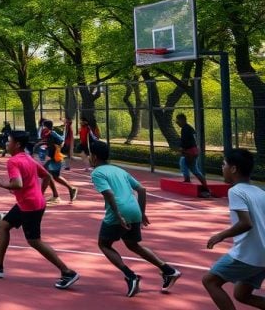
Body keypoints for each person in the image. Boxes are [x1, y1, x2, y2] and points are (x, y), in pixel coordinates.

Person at [0, 130, 80, 289]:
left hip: (30, 206)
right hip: (29, 203)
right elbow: (46, 176)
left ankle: (67, 272)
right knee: (4, 225)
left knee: (34, 241)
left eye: (9, 141)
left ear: (17, 144)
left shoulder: (13, 162)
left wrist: (3, 184)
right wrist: (41, 193)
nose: (6, 143)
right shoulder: (28, 158)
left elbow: (17, 184)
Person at [88, 140, 180, 297]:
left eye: (90, 154)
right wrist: (142, 213)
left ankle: (131, 276)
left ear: (94, 156)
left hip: (119, 211)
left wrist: (118, 215)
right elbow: (141, 189)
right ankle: (168, 270)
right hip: (134, 210)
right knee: (133, 245)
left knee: (104, 244)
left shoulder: (97, 172)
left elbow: (109, 194)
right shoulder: (119, 170)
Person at [203, 148, 265, 310]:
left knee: (210, 281)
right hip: (262, 255)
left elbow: (246, 223)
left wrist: (220, 235)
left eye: (223, 164)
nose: (221, 168)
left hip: (247, 255)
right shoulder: (260, 192)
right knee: (241, 295)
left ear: (233, 168)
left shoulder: (235, 191)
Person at [36, 120, 78, 204]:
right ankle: (59, 194)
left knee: (46, 175)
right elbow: (47, 143)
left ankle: (40, 196)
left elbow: (61, 142)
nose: (42, 128)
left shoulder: (52, 134)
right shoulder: (48, 134)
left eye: (43, 126)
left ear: (46, 127)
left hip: (56, 159)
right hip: (52, 159)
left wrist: (57, 147)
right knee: (53, 176)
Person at [176, 113, 212, 198]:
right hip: (192, 151)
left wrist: (182, 148)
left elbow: (187, 141)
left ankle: (205, 188)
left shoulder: (186, 129)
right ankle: (188, 179)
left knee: (193, 168)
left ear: (183, 120)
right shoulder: (188, 128)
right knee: (185, 163)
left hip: (190, 151)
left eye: (178, 120)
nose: (177, 122)